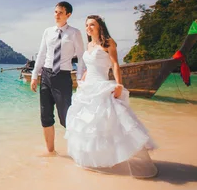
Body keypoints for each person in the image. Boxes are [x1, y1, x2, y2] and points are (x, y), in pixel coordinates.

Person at [64, 15, 158, 178]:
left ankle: (120, 158)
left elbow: (114, 64)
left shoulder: (108, 42)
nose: (88, 27)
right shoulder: (90, 45)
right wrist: (85, 75)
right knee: (90, 126)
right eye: (87, 25)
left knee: (110, 123)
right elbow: (91, 64)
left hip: (102, 86)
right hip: (87, 88)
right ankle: (94, 160)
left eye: (92, 24)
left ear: (100, 26)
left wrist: (119, 85)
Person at [31, 1, 86, 154]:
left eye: (60, 12)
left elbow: (81, 57)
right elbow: (42, 54)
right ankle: (51, 152)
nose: (57, 15)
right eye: (55, 12)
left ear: (68, 14)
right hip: (46, 75)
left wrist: (80, 78)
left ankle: (80, 150)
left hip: (63, 77)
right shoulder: (48, 32)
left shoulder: (75, 33)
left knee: (66, 117)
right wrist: (35, 75)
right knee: (45, 116)